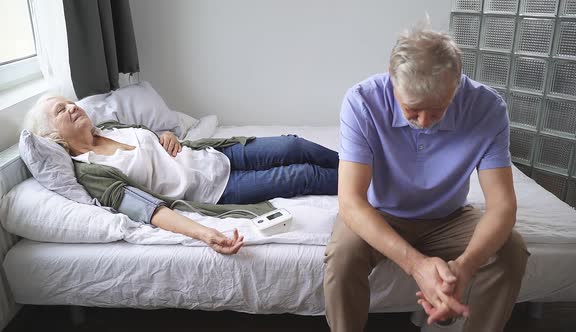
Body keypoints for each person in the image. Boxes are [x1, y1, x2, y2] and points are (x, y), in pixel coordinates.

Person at [323, 24, 529, 332]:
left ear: (456, 87)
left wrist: (465, 267)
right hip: (381, 214)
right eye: (413, 111)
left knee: (510, 250)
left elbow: (502, 207)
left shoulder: (488, 108)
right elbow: (351, 201)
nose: (424, 123)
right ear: (392, 83)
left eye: (437, 111)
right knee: (342, 257)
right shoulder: (361, 102)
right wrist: (416, 265)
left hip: (449, 217)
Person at [24, 95, 338, 255]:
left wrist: (165, 135)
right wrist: (204, 233)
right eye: (59, 111)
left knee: (293, 146)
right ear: (53, 136)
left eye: (69, 102)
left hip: (215, 153)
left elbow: (148, 141)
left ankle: (365, 166)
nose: (70, 107)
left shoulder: (110, 129)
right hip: (217, 188)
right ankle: (373, 183)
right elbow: (149, 210)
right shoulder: (91, 172)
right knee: (302, 175)